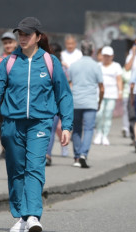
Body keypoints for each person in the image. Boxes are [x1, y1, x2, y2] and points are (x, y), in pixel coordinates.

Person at [0, 17, 73, 232]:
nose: (22, 38)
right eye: (20, 34)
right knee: (16, 170)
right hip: (12, 124)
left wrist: (66, 124)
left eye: (27, 34)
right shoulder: (10, 62)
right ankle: (22, 216)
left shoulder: (50, 62)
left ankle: (33, 215)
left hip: (40, 123)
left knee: (34, 167)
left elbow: (64, 95)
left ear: (38, 37)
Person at [69, 40, 104, 168]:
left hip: (75, 101)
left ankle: (77, 156)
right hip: (90, 102)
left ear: (80, 50)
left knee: (76, 129)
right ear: (92, 51)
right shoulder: (96, 66)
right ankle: (84, 154)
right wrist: (99, 101)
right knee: (89, 129)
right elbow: (101, 88)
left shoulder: (73, 65)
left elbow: (69, 84)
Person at [0, 32, 18, 160]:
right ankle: (4, 149)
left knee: (14, 123)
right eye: (6, 43)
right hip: (2, 96)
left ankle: (14, 149)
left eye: (10, 42)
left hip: (15, 95)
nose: (8, 45)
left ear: (15, 43)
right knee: (1, 124)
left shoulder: (19, 57)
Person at [93, 46, 123, 146]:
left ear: (112, 56)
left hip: (111, 94)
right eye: (105, 56)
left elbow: (119, 80)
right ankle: (98, 133)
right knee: (99, 114)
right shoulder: (97, 66)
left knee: (108, 115)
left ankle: (105, 135)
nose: (106, 58)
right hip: (99, 94)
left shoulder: (116, 66)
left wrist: (120, 92)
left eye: (108, 56)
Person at [45, 42, 69, 166]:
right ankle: (46, 154)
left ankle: (47, 154)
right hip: (53, 102)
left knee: (50, 129)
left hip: (51, 103)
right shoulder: (60, 66)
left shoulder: (53, 66)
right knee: (52, 129)